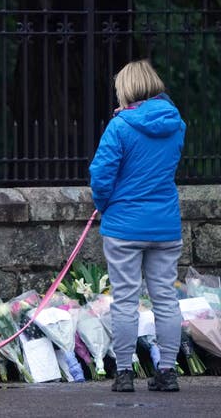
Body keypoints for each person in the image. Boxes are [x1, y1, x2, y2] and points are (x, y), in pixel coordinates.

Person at [90, 59, 185, 393]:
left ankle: (125, 372)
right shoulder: (177, 125)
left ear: (126, 89)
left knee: (125, 300)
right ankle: (168, 371)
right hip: (165, 225)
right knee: (165, 300)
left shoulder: (120, 126)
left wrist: (104, 205)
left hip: (124, 226)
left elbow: (101, 176)